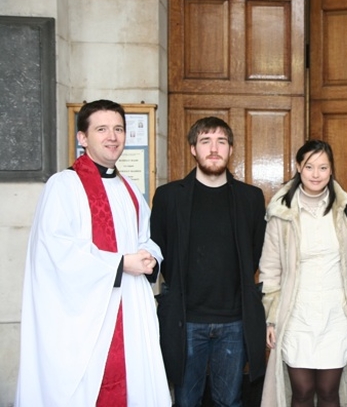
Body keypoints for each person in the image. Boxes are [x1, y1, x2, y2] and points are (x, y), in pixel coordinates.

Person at [15, 99, 171, 406]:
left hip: (128, 311)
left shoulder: (129, 189)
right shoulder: (64, 186)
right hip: (85, 320)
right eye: (102, 129)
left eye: (118, 129)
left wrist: (149, 256)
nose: (112, 137)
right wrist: (120, 263)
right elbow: (55, 253)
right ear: (82, 138)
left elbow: (145, 237)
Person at [150, 116, 267, 407]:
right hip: (185, 321)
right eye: (205, 141)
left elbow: (256, 251)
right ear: (193, 149)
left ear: (231, 149)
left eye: (221, 142)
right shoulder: (168, 197)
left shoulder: (250, 198)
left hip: (234, 322)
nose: (214, 149)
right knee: (186, 401)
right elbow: (158, 250)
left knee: (230, 401)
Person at [259, 140, 347, 407]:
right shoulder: (281, 213)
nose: (316, 174)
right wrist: (271, 318)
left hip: (336, 315)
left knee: (329, 391)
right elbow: (270, 269)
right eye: (309, 167)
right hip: (297, 315)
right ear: (298, 167)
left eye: (323, 167)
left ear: (331, 170)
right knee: (302, 391)